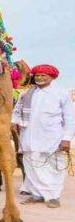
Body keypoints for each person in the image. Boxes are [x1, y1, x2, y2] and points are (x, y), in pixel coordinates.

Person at [13, 64, 74, 208]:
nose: (39, 78)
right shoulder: (27, 93)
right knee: (31, 166)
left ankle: (53, 196)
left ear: (51, 77)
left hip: (52, 138)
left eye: (43, 76)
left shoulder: (61, 93)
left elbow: (70, 118)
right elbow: (16, 111)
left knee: (54, 167)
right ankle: (37, 194)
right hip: (28, 136)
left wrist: (67, 138)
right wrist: (14, 121)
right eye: (37, 75)